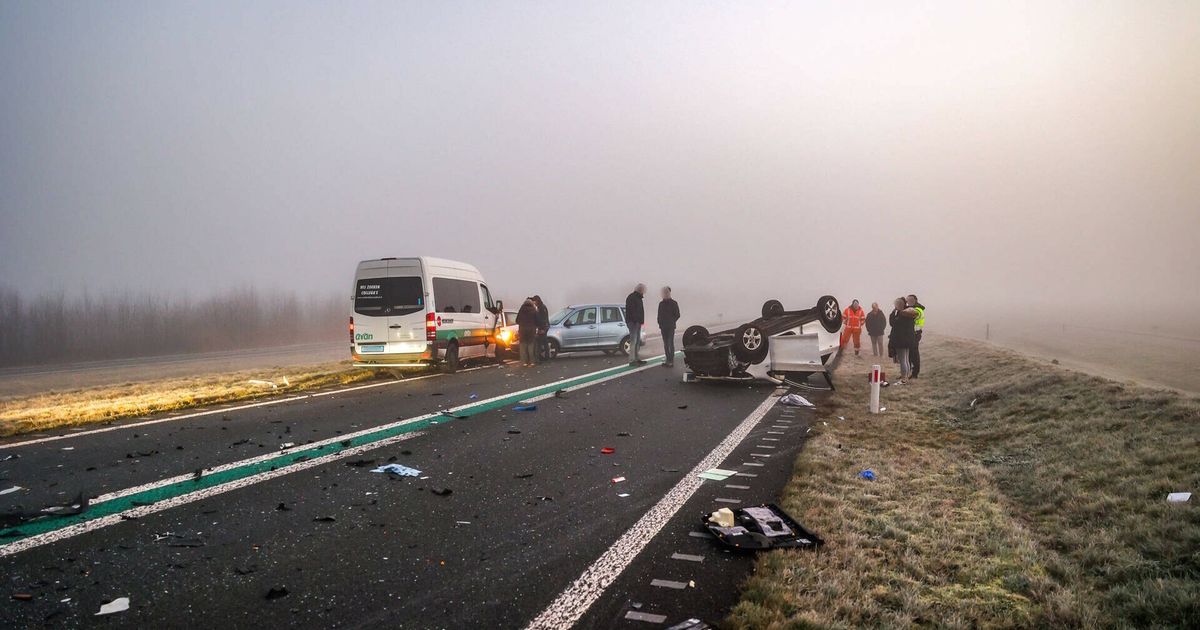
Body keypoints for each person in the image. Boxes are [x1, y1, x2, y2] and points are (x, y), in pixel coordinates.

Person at [888, 297, 919, 383]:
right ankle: (907, 375)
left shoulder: (901, 314)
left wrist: (893, 312)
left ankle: (904, 378)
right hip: (908, 340)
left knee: (902, 360)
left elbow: (893, 323)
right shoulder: (909, 313)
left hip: (901, 340)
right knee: (906, 359)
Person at [657, 286, 680, 367]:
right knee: (666, 344)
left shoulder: (674, 303)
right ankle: (668, 360)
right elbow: (659, 315)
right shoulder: (661, 304)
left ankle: (671, 360)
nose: (665, 293)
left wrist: (672, 321)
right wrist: (660, 323)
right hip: (663, 327)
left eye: (666, 292)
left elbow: (677, 315)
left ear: (669, 293)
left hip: (670, 326)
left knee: (670, 343)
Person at [625, 283, 647, 365]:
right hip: (633, 322)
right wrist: (636, 320)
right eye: (643, 290)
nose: (644, 292)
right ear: (640, 290)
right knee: (634, 341)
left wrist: (641, 321)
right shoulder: (632, 298)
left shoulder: (638, 298)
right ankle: (632, 360)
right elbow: (632, 311)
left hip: (637, 322)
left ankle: (636, 358)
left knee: (637, 341)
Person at [516, 298, 540, 367]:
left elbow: (517, 320)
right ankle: (532, 362)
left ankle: (524, 362)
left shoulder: (521, 310)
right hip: (531, 330)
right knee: (531, 346)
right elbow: (538, 321)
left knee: (523, 346)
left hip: (522, 330)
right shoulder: (534, 310)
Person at [906, 294, 926, 378]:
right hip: (911, 334)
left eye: (911, 300)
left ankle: (914, 373)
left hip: (915, 334)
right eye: (908, 300)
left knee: (914, 355)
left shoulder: (917, 310)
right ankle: (908, 372)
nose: (909, 301)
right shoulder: (912, 308)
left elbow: (908, 315)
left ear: (915, 300)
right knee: (909, 354)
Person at [532, 295, 550, 362]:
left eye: (534, 301)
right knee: (544, 342)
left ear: (537, 301)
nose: (534, 303)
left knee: (540, 343)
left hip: (543, 327)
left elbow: (543, 319)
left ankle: (541, 357)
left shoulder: (541, 308)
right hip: (544, 326)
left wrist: (542, 329)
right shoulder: (541, 307)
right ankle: (546, 357)